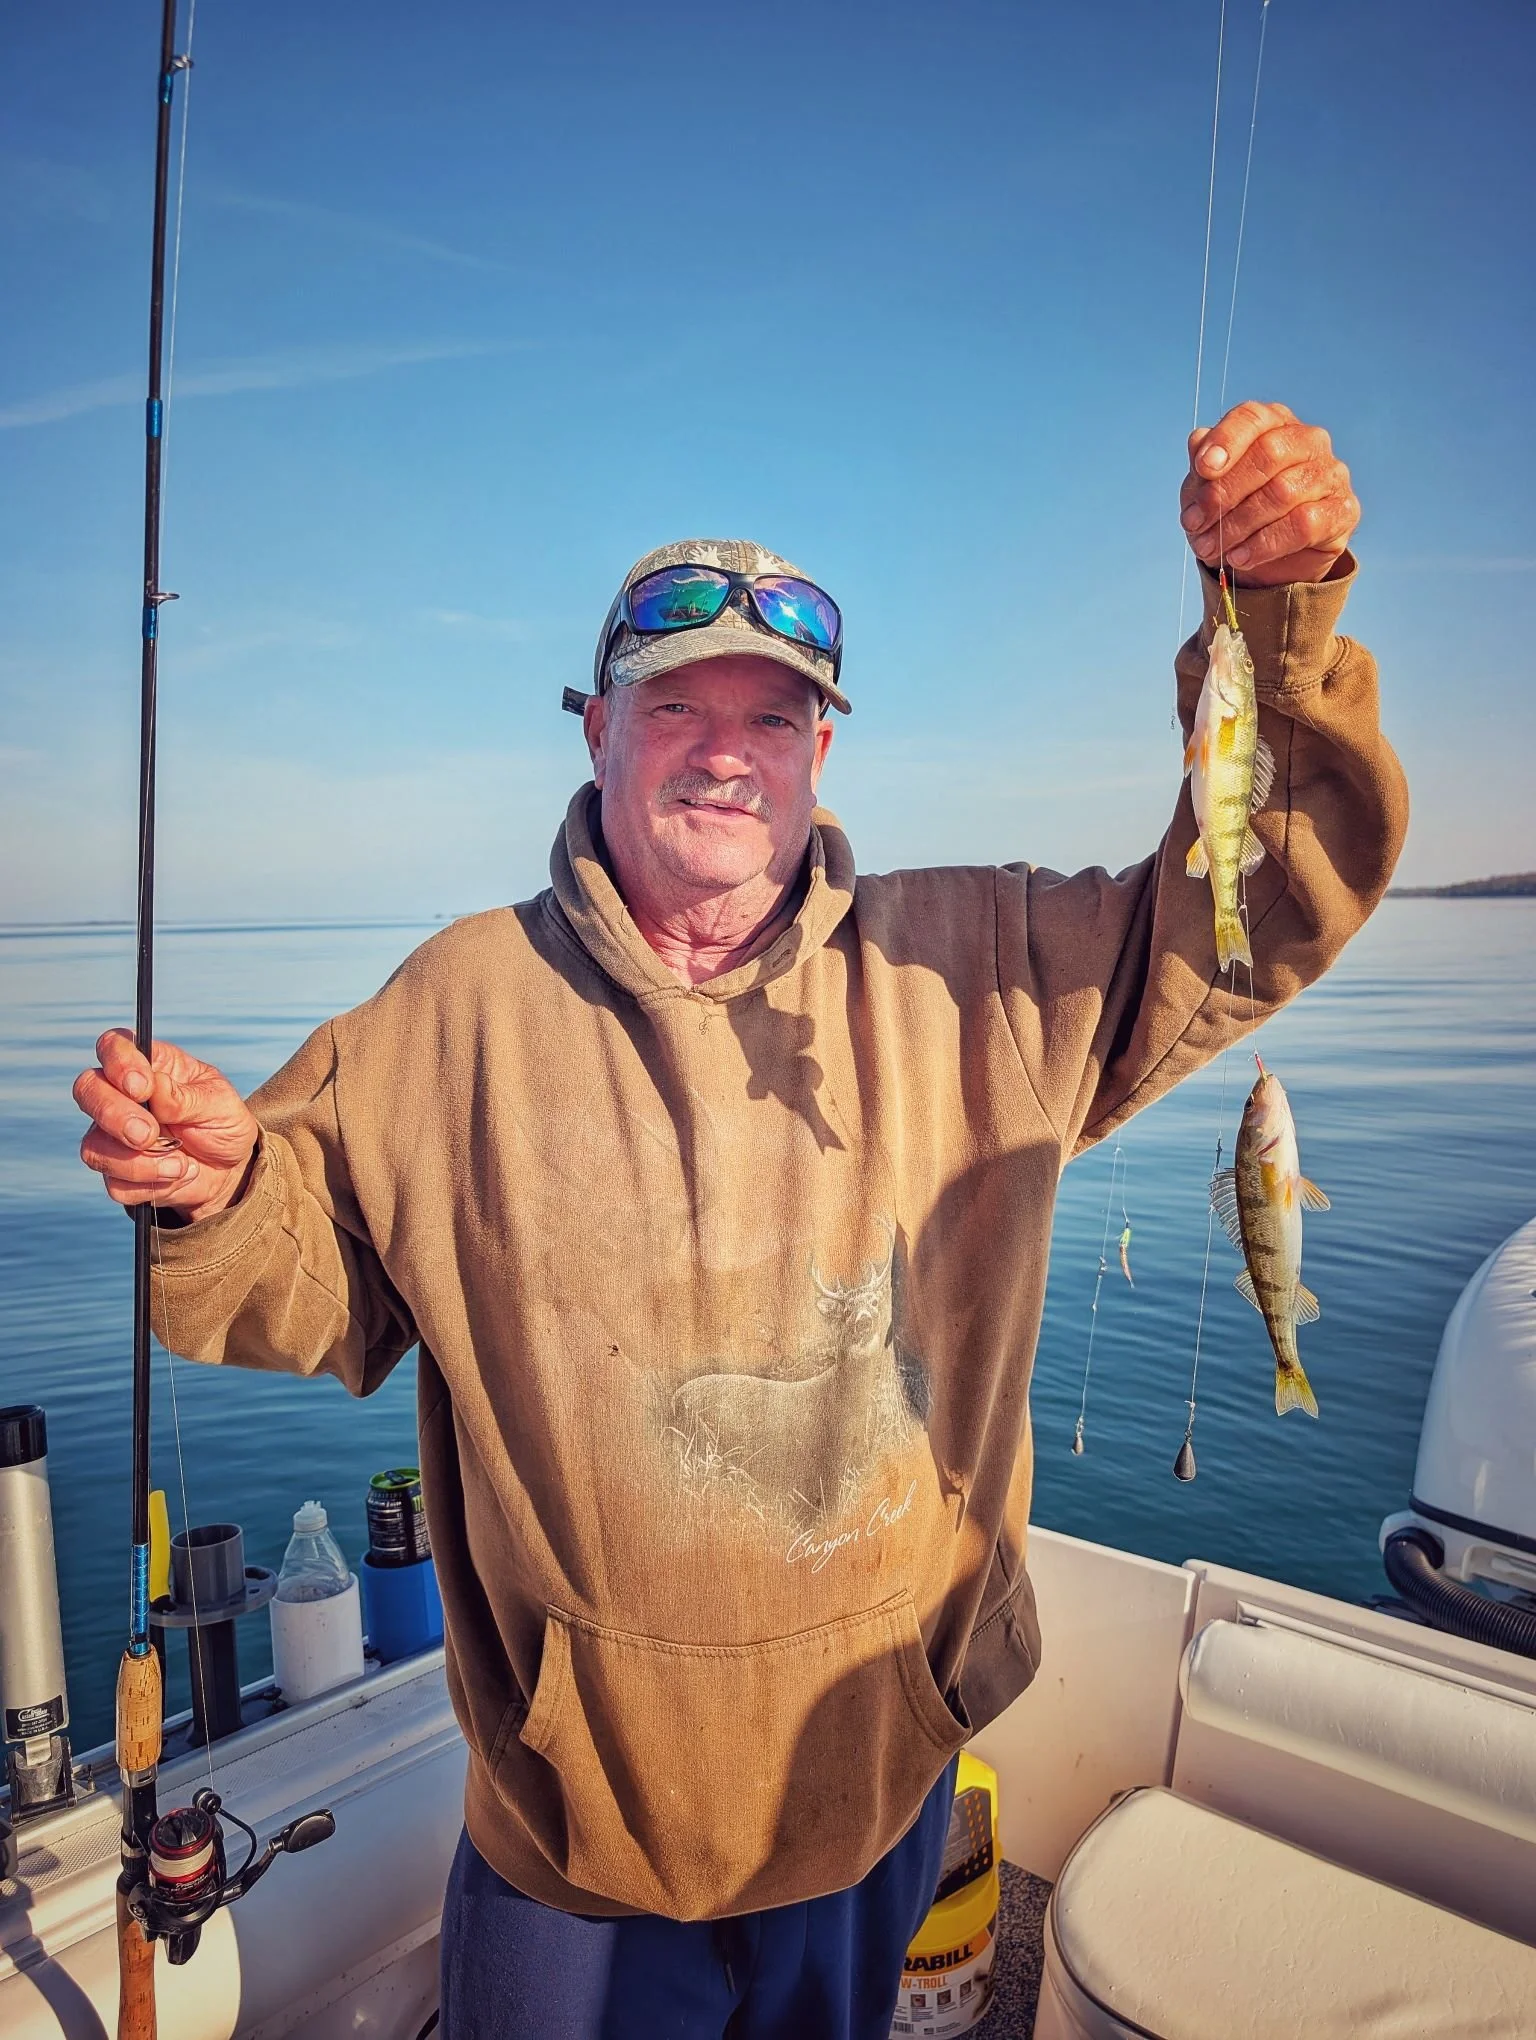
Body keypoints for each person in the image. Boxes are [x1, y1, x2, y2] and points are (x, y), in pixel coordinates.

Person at [73, 400, 1405, 2040]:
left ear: (822, 750)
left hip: (866, 1787)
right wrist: (213, 1189)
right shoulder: (450, 1012)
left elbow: (1258, 906)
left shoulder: (980, 969)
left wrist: (1275, 623)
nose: (724, 747)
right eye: (677, 704)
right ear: (595, 732)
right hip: (575, 1831)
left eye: (772, 716)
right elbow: (305, 1285)